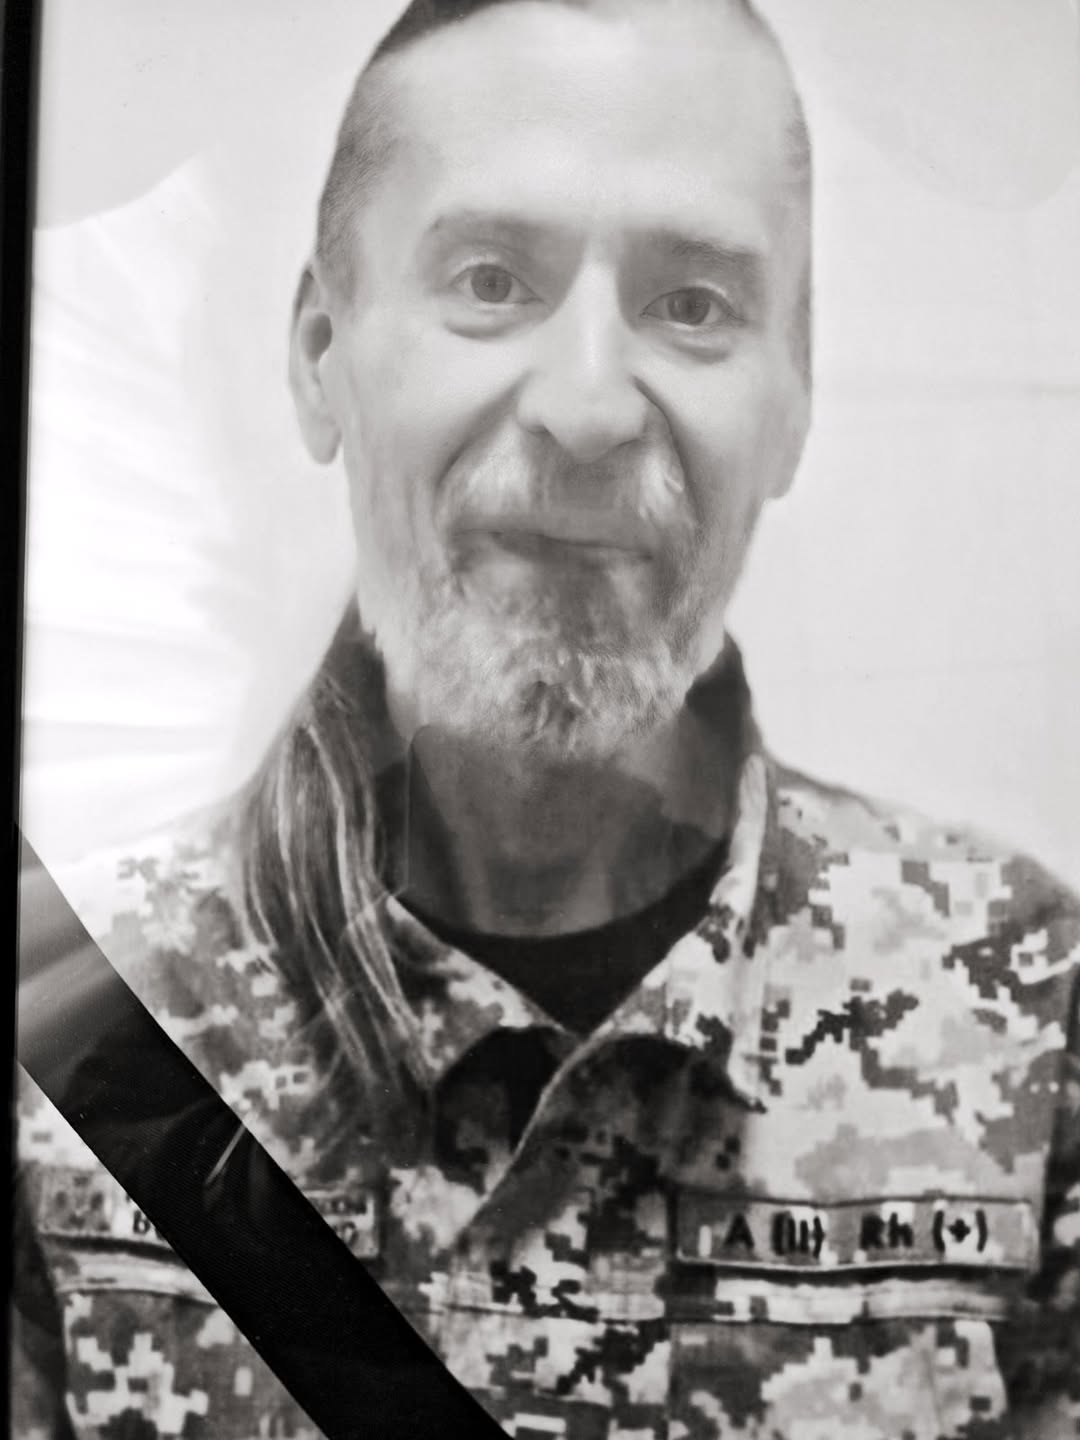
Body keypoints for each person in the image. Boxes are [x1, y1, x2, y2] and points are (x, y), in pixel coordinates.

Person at [15, 0, 1080, 1436]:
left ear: (795, 394)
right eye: (490, 280)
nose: (588, 408)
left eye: (692, 305)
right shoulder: (73, 1018)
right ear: (322, 350)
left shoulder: (1024, 1012)